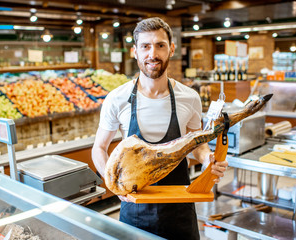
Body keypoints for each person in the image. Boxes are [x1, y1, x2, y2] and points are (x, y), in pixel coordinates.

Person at [92, 17, 228, 240]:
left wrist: (208, 159)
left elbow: (197, 145)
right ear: (135, 51)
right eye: (145, 46)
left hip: (180, 207)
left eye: (160, 45)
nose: (152, 54)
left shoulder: (190, 98)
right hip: (135, 210)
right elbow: (99, 147)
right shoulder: (117, 98)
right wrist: (114, 184)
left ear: (171, 49)